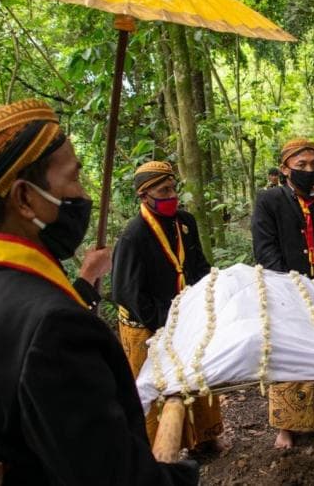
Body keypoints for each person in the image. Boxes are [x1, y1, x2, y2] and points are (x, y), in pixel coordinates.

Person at [0, 99, 199, 485]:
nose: (82, 194)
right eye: (72, 178)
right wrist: (181, 475)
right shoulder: (55, 329)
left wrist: (86, 283)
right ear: (24, 199)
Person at [112, 160, 223, 451]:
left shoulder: (186, 222)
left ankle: (205, 438)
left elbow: (198, 265)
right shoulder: (133, 235)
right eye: (163, 190)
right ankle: (163, 451)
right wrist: (164, 322)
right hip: (147, 325)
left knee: (197, 374)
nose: (171, 195)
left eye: (173, 188)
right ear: (144, 195)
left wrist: (210, 294)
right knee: (159, 388)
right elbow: (126, 292)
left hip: (186, 316)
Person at [251, 138, 314, 449]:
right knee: (289, 355)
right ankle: (287, 426)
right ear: (285, 169)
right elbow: (265, 248)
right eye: (301, 165)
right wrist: (289, 286)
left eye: (313, 165)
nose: (308, 170)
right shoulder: (269, 201)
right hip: (284, 288)